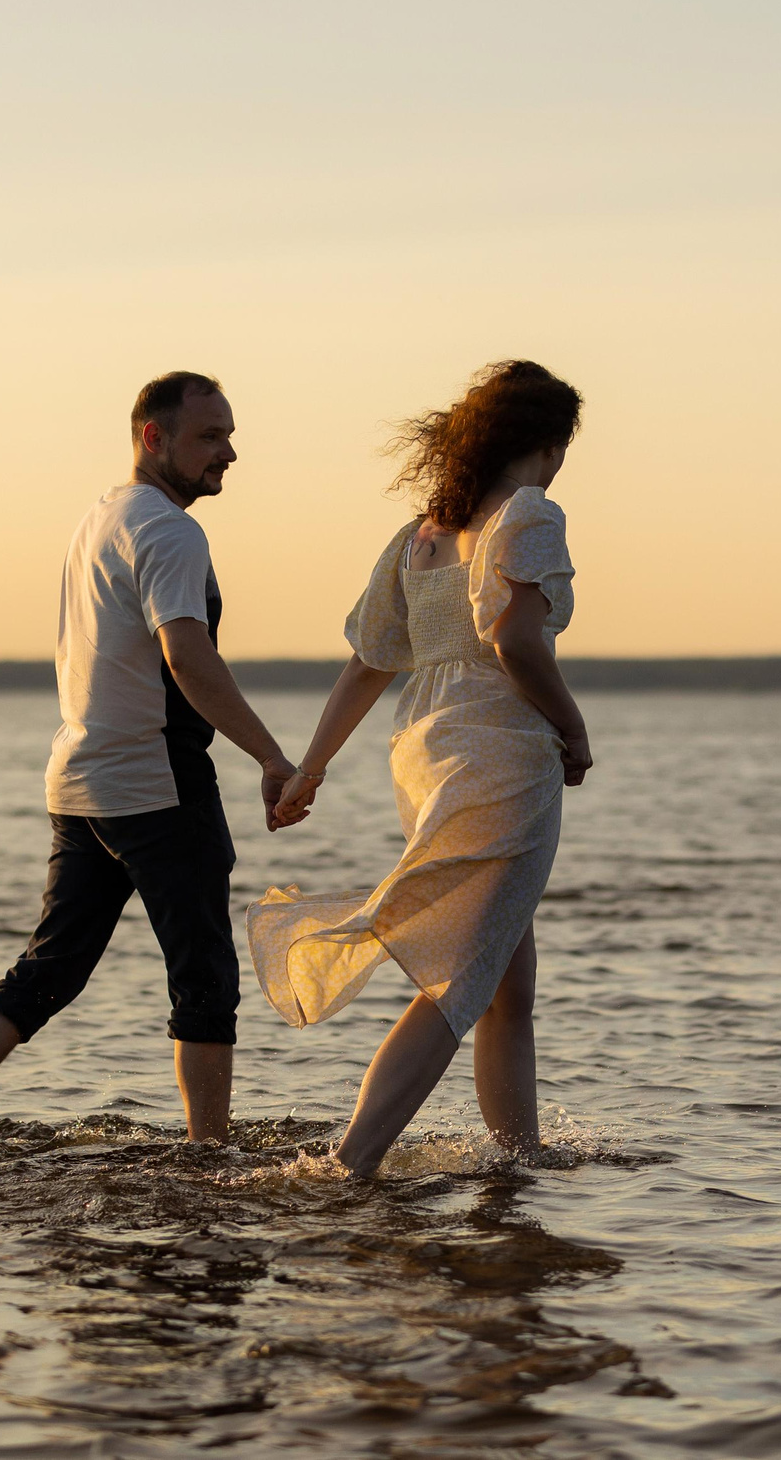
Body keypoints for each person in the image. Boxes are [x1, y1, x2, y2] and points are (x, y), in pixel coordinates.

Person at [0, 371, 301, 1144]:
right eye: (210, 436)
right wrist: (272, 756)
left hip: (82, 780)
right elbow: (186, 658)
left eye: (229, 434)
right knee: (206, 976)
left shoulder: (101, 517)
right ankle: (207, 1153)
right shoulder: (171, 531)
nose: (229, 452)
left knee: (49, 967)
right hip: (157, 784)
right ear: (153, 437)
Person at [250, 360, 589, 1178]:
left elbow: (369, 663)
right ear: (545, 442)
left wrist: (312, 769)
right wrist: (574, 731)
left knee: (507, 982)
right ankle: (352, 1162)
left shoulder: (423, 535)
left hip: (425, 757)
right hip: (500, 755)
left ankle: (516, 1161)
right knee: (457, 980)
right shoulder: (529, 512)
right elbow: (514, 641)